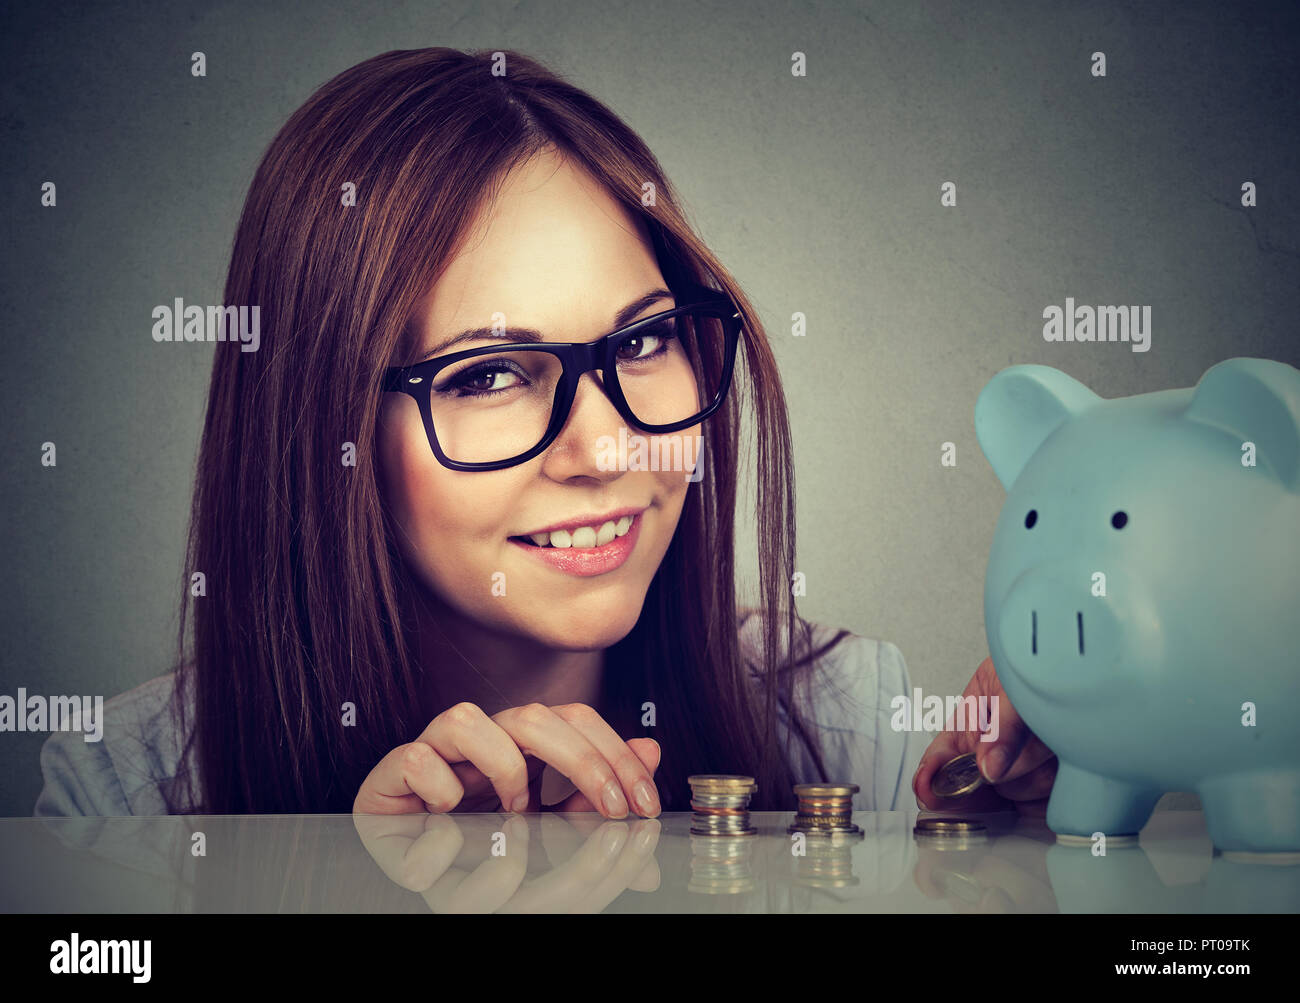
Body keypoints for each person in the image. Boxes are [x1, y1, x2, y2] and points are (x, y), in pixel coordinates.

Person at [34, 47, 1056, 820]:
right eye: (486, 374)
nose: (610, 448)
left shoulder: (852, 730)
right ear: (322, 426)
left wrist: (1037, 865)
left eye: (646, 340)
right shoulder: (124, 796)